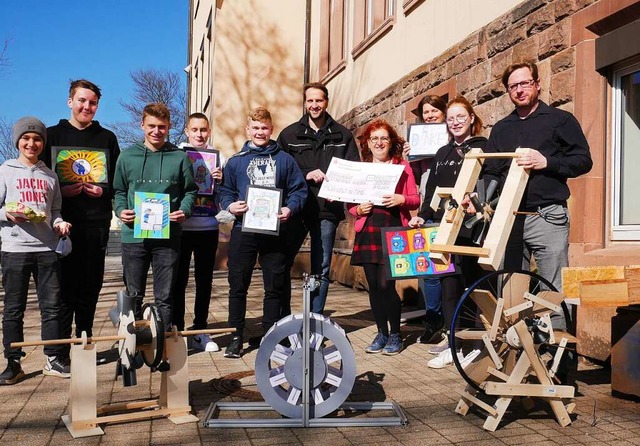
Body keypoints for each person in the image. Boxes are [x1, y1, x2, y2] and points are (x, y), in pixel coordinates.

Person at [482, 61, 593, 331]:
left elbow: (583, 161)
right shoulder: (501, 128)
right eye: (513, 86)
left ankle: (558, 363)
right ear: (508, 91)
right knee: (510, 290)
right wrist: (478, 197)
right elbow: (491, 172)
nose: (519, 90)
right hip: (509, 218)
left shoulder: (560, 120)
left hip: (548, 216)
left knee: (553, 290)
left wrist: (548, 162)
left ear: (537, 84)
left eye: (524, 83)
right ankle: (518, 355)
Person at [40, 79, 120, 359]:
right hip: (61, 226)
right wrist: (61, 190)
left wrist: (103, 190)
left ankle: (84, 345)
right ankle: (59, 353)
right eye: (82, 100)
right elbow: (41, 181)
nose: (87, 106)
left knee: (90, 287)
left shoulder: (107, 138)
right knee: (63, 291)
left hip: (96, 225)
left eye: (93, 103)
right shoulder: (51, 135)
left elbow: (117, 182)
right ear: (70, 101)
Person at [219, 107, 307, 358]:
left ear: (271, 130)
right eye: (255, 128)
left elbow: (298, 191)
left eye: (264, 128)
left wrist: (290, 208)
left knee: (275, 287)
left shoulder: (285, 160)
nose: (260, 132)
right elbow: (224, 191)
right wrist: (229, 205)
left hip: (275, 232)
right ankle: (236, 335)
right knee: (238, 285)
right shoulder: (236, 161)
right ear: (248, 130)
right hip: (244, 231)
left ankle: (271, 336)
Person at [409, 96, 488, 368]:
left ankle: (472, 346)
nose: (455, 122)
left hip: (472, 230)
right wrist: (422, 216)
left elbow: (490, 185)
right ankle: (455, 344)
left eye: (460, 117)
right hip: (445, 229)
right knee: (448, 287)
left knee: (473, 286)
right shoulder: (442, 153)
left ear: (471, 119)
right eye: (451, 118)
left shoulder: (483, 147)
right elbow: (431, 192)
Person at [113, 103, 197, 336]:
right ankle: (130, 348)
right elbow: (118, 191)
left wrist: (185, 210)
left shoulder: (179, 157)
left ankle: (163, 349)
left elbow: (190, 190)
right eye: (151, 126)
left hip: (168, 236)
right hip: (133, 236)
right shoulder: (127, 156)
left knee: (165, 295)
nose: (156, 131)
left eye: (162, 127)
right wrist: (120, 210)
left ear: (169, 127)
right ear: (142, 125)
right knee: (133, 295)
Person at [0, 117, 72, 385]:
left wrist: (59, 223)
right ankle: (13, 362)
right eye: (26, 138)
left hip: (47, 249)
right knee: (13, 309)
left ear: (43, 143)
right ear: (18, 141)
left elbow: (54, 211)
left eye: (37, 139)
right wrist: (8, 213)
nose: (32, 143)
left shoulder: (50, 175)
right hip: (14, 249)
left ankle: (53, 359)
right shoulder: (5, 170)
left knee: (52, 308)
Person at [277, 82, 359, 315]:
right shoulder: (289, 135)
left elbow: (353, 170)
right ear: (305, 103)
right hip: (296, 208)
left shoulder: (343, 135)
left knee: (321, 268)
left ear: (326, 102)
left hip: (327, 210)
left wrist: (340, 191)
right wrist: (306, 175)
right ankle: (282, 316)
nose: (314, 105)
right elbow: (281, 171)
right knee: (282, 262)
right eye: (310, 101)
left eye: (319, 100)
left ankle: (314, 318)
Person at [348, 119, 419, 355]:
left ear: (391, 142)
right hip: (368, 229)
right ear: (368, 143)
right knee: (374, 287)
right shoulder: (362, 168)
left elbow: (414, 199)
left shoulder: (402, 166)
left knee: (386, 285)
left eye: (384, 138)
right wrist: (358, 210)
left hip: (393, 229)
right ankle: (381, 333)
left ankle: (396, 334)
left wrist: (402, 200)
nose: (379, 143)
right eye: (374, 138)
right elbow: (349, 202)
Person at [172, 113, 225, 352]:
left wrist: (221, 181)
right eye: (195, 130)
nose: (199, 134)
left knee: (205, 281)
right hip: (182, 228)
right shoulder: (176, 154)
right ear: (186, 131)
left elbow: (225, 193)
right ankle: (178, 331)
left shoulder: (218, 157)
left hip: (208, 227)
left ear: (209, 130)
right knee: (178, 281)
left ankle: (200, 330)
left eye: (203, 129)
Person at [402, 94, 447, 344]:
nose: (429, 116)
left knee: (450, 270)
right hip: (427, 210)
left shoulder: (451, 139)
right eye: (426, 113)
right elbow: (415, 178)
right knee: (429, 270)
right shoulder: (417, 140)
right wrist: (411, 156)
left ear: (443, 113)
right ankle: (433, 320)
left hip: (449, 210)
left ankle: (453, 322)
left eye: (434, 112)